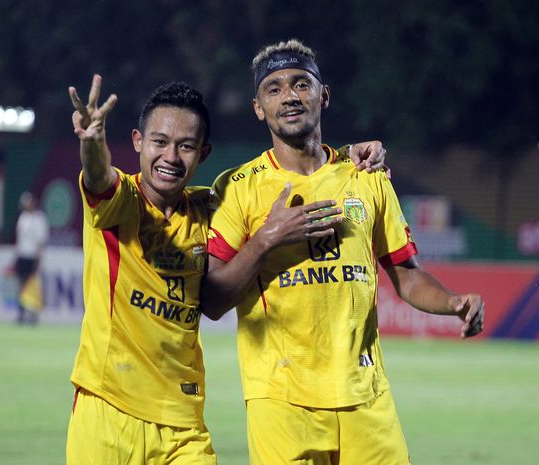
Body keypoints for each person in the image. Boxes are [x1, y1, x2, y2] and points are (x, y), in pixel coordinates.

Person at [65, 74, 387, 465]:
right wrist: (92, 142)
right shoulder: (120, 203)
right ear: (137, 142)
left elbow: (275, 176)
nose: (170, 157)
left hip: (183, 423)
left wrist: (350, 153)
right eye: (159, 142)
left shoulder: (211, 208)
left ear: (203, 154)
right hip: (107, 408)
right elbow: (99, 176)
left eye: (186, 146)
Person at [201, 39, 485, 465]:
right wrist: (266, 239)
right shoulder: (238, 187)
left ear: (324, 95)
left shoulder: (367, 177)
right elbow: (213, 300)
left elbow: (407, 275)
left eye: (301, 84)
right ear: (258, 107)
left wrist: (451, 302)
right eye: (273, 89)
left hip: (365, 396)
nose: (289, 96)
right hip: (281, 402)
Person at [14, 191, 49, 324]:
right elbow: (20, 239)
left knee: (33, 286)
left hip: (32, 256)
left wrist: (38, 261)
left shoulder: (39, 218)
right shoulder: (22, 218)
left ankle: (34, 314)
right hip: (22, 255)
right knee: (21, 286)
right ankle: (21, 314)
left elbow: (40, 242)